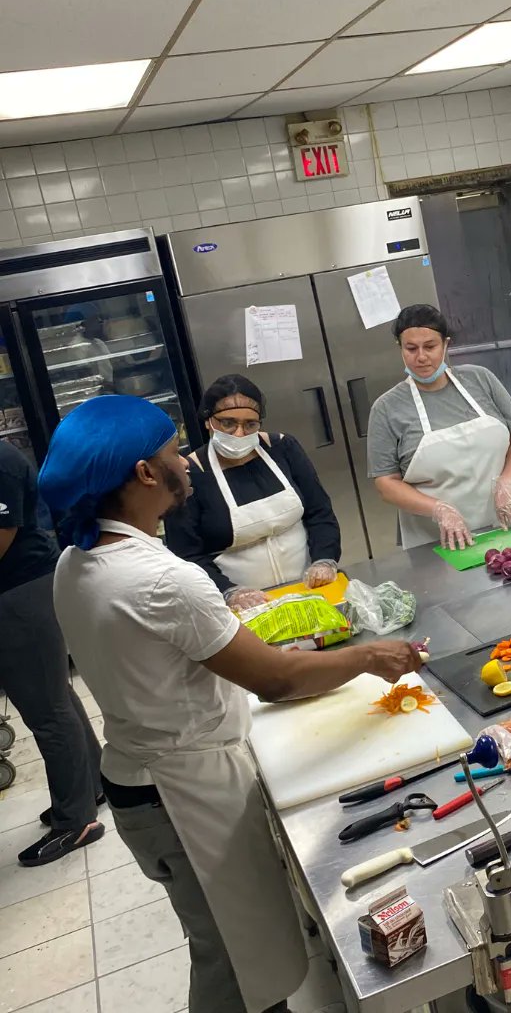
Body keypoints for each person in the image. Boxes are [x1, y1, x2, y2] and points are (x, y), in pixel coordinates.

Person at [39, 394, 423, 1013]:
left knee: (224, 947)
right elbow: (275, 679)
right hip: (184, 794)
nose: (188, 461)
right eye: (175, 451)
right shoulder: (163, 580)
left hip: (138, 782)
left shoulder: (75, 561)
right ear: (144, 473)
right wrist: (369, 657)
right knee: (235, 965)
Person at [0, 440, 104, 866]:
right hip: (21, 589)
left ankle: (76, 820)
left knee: (46, 712)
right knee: (53, 694)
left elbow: (1, 536)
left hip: (19, 591)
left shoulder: (1, 462)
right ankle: (94, 785)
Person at [166, 375, 341, 612]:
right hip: (243, 609)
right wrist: (228, 592)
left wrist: (324, 560)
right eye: (228, 423)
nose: (239, 433)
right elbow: (187, 555)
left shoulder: (282, 448)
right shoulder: (191, 473)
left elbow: (320, 512)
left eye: (250, 425)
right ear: (208, 421)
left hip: (311, 591)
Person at [367, 304, 511, 549]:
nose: (421, 357)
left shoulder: (480, 379)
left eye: (430, 347)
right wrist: (439, 509)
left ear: (445, 344)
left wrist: (507, 483)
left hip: (505, 523)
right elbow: (386, 484)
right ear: (400, 348)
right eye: (411, 348)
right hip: (436, 539)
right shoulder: (386, 408)